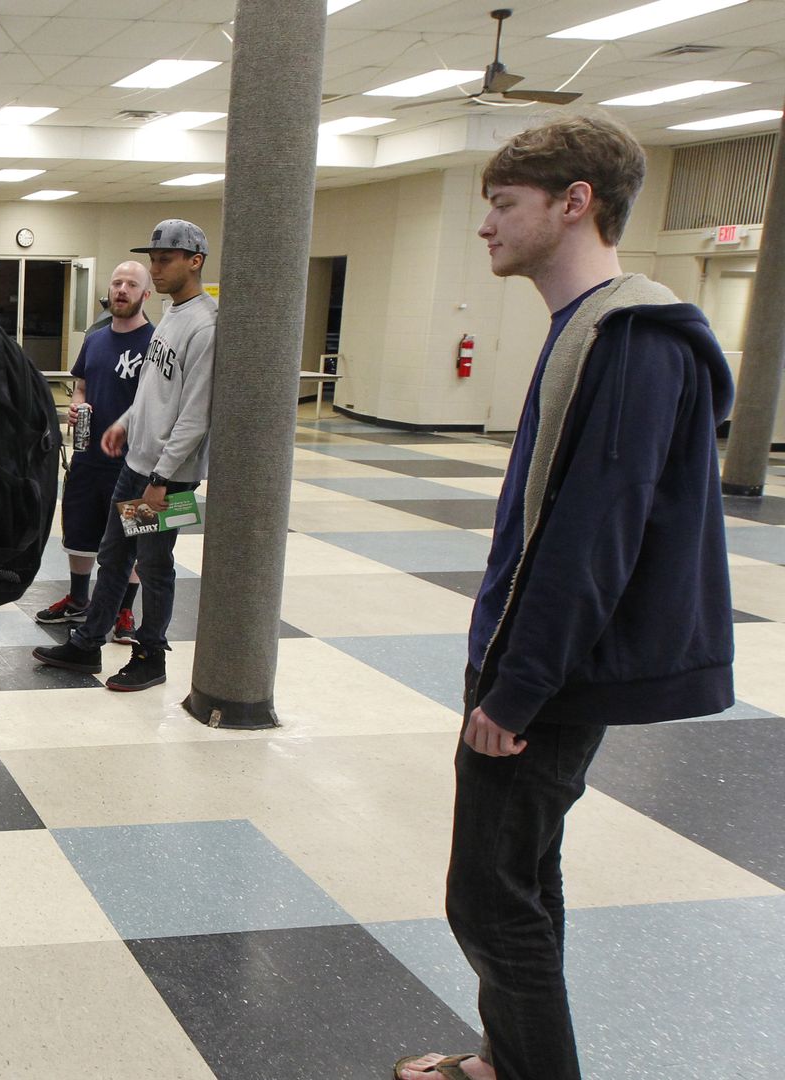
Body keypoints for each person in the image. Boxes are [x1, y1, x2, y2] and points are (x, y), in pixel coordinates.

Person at [395, 115, 733, 1080]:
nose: (487, 226)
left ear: (574, 203)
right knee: (521, 882)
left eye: (505, 204)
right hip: (539, 668)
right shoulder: (588, 329)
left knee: (491, 900)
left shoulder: (629, 340)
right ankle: (512, 1058)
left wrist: (518, 691)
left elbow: (595, 538)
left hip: (554, 681)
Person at [32, 220, 215, 693]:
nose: (156, 268)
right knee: (114, 557)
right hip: (136, 465)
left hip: (167, 478)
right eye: (152, 259)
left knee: (154, 565)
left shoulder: (205, 326)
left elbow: (195, 417)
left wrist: (162, 477)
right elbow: (153, 392)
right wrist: (125, 423)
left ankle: (151, 655)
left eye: (165, 260)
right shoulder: (173, 315)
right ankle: (88, 641)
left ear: (194, 261)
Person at [33, 262, 154, 644]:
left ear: (145, 295)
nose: (122, 289)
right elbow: (81, 387)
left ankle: (123, 610)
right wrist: (77, 406)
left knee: (137, 534)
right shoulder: (95, 339)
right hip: (88, 458)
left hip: (137, 463)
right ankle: (79, 597)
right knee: (80, 530)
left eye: (132, 284)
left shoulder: (156, 342)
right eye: (117, 283)